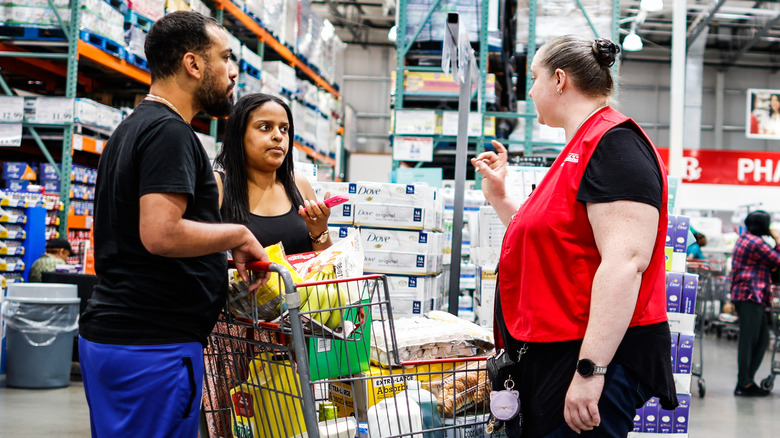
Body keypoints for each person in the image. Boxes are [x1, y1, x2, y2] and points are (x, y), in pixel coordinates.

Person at [471, 35, 677, 437]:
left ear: (560, 80)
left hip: (588, 357)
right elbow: (560, 242)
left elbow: (626, 262)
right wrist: (501, 198)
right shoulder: (578, 148)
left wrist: (590, 371)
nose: (530, 91)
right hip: (556, 352)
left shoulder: (615, 145)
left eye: (534, 79)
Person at [78, 11, 269, 438]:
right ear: (193, 64)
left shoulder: (133, 128)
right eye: (225, 57)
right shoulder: (169, 133)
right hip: (153, 347)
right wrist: (237, 233)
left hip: (122, 337)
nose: (232, 71)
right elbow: (161, 233)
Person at [215, 93, 333, 253]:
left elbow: (324, 265)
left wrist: (320, 230)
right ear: (239, 135)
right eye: (265, 127)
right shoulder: (219, 185)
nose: (278, 136)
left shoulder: (298, 184)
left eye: (284, 129)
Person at [730, 210, 779, 397]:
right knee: (749, 341)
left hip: (750, 296)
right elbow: (776, 260)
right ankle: (744, 383)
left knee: (762, 339)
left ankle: (747, 381)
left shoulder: (746, 238)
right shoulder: (755, 242)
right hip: (750, 295)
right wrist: (778, 240)